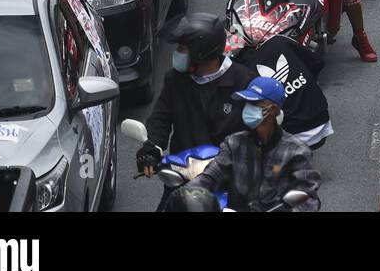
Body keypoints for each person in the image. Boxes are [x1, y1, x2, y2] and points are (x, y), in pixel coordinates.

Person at [136, 14, 255, 205]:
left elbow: (259, 130)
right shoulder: (175, 80)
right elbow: (160, 119)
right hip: (184, 180)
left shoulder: (244, 81)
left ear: (202, 52)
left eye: (182, 49)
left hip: (231, 182)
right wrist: (151, 148)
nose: (178, 53)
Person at [188, 77, 322, 212]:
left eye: (255, 103)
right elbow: (211, 176)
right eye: (247, 103)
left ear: (273, 110)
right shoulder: (234, 143)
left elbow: (308, 202)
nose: (247, 108)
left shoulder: (297, 152)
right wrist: (187, 193)